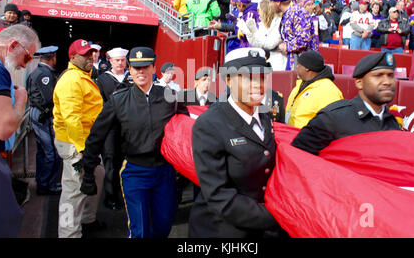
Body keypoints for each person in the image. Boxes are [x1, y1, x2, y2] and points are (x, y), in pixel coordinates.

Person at [79, 47, 189, 238]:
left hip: (165, 172)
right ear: (130, 69)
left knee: (163, 225)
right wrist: (88, 169)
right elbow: (97, 134)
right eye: (136, 67)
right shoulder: (118, 101)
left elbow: (185, 130)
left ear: (154, 68)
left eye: (145, 66)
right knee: (140, 229)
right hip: (135, 171)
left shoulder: (170, 98)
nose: (141, 72)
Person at [189, 47, 285, 238]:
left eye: (262, 77)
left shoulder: (265, 116)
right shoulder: (209, 125)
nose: (257, 84)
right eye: (248, 77)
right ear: (229, 80)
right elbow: (219, 196)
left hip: (262, 227)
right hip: (222, 230)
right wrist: (277, 216)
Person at [292, 52, 401, 154]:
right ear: (359, 83)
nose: (387, 82)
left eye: (391, 75)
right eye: (378, 75)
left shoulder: (392, 123)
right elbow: (298, 157)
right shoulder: (333, 118)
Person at [52, 39, 105, 238]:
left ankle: (87, 220)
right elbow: (71, 118)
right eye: (85, 54)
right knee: (73, 193)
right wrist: (82, 151)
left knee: (97, 176)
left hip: (87, 142)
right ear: (73, 57)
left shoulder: (82, 77)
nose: (90, 57)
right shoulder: (71, 80)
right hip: (75, 144)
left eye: (91, 53)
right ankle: (68, 234)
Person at [0, 25, 40, 236]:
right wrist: (21, 100)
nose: (24, 65)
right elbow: (2, 129)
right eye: (27, 58)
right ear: (13, 45)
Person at [94, 47, 132, 210]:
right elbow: (99, 105)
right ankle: (110, 197)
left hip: (129, 127)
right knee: (110, 163)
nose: (120, 63)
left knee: (127, 162)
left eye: (123, 60)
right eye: (117, 60)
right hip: (111, 128)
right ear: (110, 61)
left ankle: (124, 194)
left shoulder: (131, 77)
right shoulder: (103, 80)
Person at [26, 45, 62, 195]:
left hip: (38, 113)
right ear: (52, 58)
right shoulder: (44, 74)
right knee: (51, 152)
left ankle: (42, 182)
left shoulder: (37, 72)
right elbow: (49, 98)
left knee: (43, 151)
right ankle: (48, 184)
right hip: (43, 115)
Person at [285, 51, 343, 129]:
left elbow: (333, 122)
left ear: (306, 67)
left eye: (298, 64)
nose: (296, 67)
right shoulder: (300, 84)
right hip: (291, 135)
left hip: (308, 138)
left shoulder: (328, 90)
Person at [270, 0, 318, 70]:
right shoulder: (288, 13)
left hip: (303, 64)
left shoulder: (298, 13)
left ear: (277, 2)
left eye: (271, 1)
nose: (270, 5)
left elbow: (304, 39)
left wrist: (286, 46)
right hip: (294, 60)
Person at [237, 0, 286, 70]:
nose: (258, 13)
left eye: (259, 10)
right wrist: (248, 33)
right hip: (265, 61)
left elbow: (269, 44)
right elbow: (257, 44)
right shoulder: (262, 24)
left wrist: (255, 32)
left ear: (265, 10)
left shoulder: (278, 23)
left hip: (278, 62)